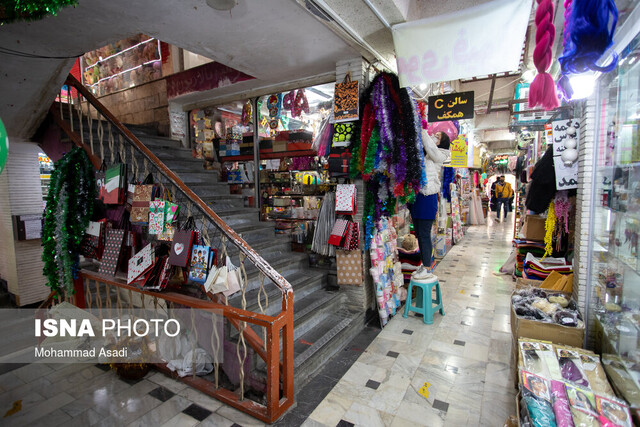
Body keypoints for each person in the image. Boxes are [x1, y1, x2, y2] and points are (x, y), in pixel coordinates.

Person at [408, 130, 451, 280]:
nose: (434, 136)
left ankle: (427, 267)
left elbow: (431, 147)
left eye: (437, 137)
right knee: (419, 233)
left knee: (425, 234)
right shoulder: (426, 152)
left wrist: (421, 129)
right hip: (417, 196)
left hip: (428, 197)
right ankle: (424, 264)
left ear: (442, 142)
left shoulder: (441, 154)